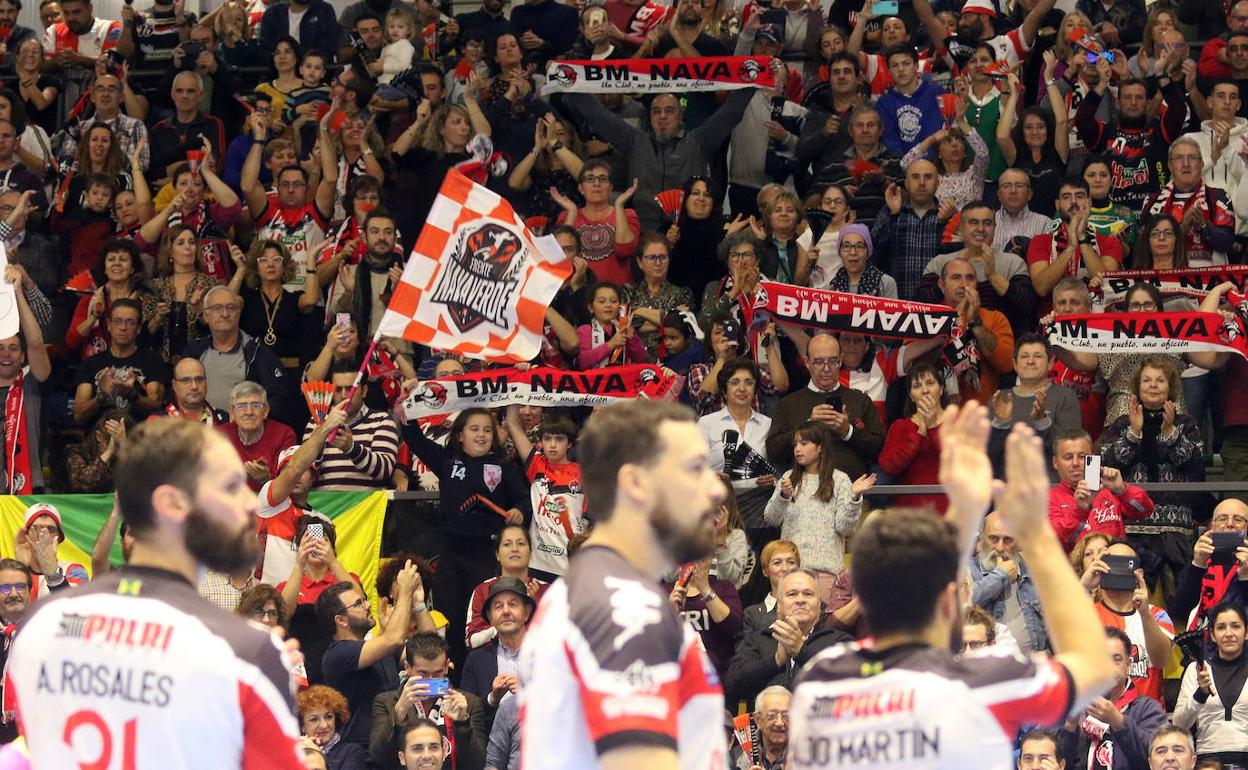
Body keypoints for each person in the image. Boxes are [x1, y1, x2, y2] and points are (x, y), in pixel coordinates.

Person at [787, 407, 1117, 767]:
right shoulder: (984, 681)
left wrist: (964, 511)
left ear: (861, 594)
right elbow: (1096, 667)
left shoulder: (819, 683)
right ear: (951, 601)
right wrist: (1035, 533)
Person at [7, 419, 305, 767]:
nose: (249, 502)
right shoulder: (245, 653)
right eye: (231, 486)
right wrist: (261, 677)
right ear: (173, 503)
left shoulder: (41, 624)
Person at [517, 400, 727, 770]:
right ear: (636, 483)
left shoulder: (589, 590)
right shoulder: (624, 604)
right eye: (694, 469)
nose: (716, 489)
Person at [562, 89, 756, 231]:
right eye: (656, 111)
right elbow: (597, 115)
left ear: (680, 116)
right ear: (650, 116)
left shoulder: (699, 141)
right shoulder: (634, 141)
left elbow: (731, 113)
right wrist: (565, 78)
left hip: (688, 235)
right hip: (643, 234)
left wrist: (755, 78)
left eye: (669, 111)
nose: (662, 116)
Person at [764, 420, 873, 600]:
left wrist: (854, 497)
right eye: (795, 444)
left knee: (823, 627)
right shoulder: (788, 478)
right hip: (791, 572)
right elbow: (771, 519)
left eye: (804, 443)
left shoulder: (840, 480)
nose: (797, 449)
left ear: (820, 447)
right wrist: (783, 496)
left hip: (826, 573)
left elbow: (846, 528)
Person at [318, 560, 420, 746]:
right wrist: (404, 592)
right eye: (358, 603)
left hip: (394, 745)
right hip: (361, 756)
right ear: (341, 620)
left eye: (364, 600)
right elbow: (394, 638)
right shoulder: (337, 654)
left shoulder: (379, 648)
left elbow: (426, 655)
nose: (367, 606)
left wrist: (418, 604)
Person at [764, 333, 884, 479]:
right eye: (819, 362)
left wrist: (848, 431)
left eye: (833, 361)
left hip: (853, 491)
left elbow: (878, 448)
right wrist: (807, 426)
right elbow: (774, 452)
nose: (826, 369)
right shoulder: (788, 404)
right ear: (807, 362)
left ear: (840, 360)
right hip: (803, 494)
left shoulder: (860, 400)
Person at [724, 568, 850, 707]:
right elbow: (732, 686)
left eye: (808, 594)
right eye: (792, 594)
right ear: (779, 605)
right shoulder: (757, 640)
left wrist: (801, 651)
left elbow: (846, 683)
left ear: (819, 604)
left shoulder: (838, 641)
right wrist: (775, 661)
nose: (800, 600)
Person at [902, 257, 1016, 406]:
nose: (964, 284)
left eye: (970, 278)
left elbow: (1006, 364)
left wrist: (976, 323)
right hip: (934, 414)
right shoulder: (923, 319)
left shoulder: (994, 318)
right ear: (941, 285)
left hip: (980, 414)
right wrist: (945, 328)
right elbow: (915, 369)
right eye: (956, 278)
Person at [918, 201, 1037, 337]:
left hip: (1001, 345)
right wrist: (954, 271)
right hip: (947, 345)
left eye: (987, 223)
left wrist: (993, 276)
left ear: (994, 227)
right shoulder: (939, 262)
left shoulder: (1013, 262)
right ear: (961, 227)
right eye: (973, 222)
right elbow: (921, 304)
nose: (981, 229)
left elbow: (1027, 305)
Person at [369, 633, 486, 770]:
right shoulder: (386, 702)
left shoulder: (469, 703)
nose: (430, 680)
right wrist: (398, 712)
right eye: (423, 674)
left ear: (447, 666)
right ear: (407, 668)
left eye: (437, 673)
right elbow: (378, 757)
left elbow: (478, 764)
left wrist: (462, 723)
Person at [1058, 625, 1167, 770]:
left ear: (1127, 665)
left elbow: (1158, 757)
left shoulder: (1148, 709)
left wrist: (1119, 722)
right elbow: (1057, 762)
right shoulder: (1075, 704)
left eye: (1116, 659)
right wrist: (1070, 727)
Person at [183, 285, 291, 426]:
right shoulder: (193, 352)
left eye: (231, 308)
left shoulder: (258, 353)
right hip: (198, 433)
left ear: (239, 314)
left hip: (243, 435)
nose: (225, 314)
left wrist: (250, 423)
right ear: (205, 315)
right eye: (217, 308)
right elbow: (178, 394)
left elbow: (278, 401)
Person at [1094, 540, 1175, 705]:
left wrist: (1144, 613)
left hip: (1146, 720)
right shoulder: (1088, 614)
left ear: (1138, 573)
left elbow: (1162, 660)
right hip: (1097, 717)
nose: (1116, 570)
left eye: (1124, 564)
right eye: (1110, 563)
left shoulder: (1157, 615)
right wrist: (1086, 583)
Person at [1048, 428, 1154, 550]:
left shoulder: (1109, 489)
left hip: (1115, 565)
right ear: (1055, 462)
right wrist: (1080, 510)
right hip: (1072, 568)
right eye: (1068, 457)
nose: (1076, 463)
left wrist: (1123, 491)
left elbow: (1145, 511)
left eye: (1082, 456)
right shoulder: (1049, 498)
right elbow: (1054, 540)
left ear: (1092, 458)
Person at [1172, 601, 1248, 766]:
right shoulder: (1197, 669)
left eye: (1235, 626)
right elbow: (1179, 725)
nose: (1228, 633)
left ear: (1246, 632)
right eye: (1221, 627)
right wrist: (1200, 694)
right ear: (1212, 635)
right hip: (1207, 761)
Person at [73, 298, 168, 425]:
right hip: (98, 439)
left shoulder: (152, 360)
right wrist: (101, 396)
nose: (123, 328)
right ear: (109, 325)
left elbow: (157, 409)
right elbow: (78, 415)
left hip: (138, 439)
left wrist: (131, 394)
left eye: (130, 322)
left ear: (139, 328)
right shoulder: (91, 363)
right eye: (117, 321)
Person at [870, 159, 950, 300]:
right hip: (896, 305)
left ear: (938, 183)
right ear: (906, 183)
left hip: (936, 308)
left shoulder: (947, 215)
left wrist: (946, 223)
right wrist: (893, 215)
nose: (922, 183)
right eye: (915, 177)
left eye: (928, 177)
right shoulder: (890, 211)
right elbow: (872, 254)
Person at [0, 263, 49, 493]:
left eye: (13, 348)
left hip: (26, 484)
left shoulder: (30, 382)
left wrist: (18, 292)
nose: (6, 354)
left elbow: (36, 343)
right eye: (0, 348)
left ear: (23, 356)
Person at [970, 510, 1047, 653]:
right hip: (987, 666)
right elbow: (964, 604)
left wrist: (1048, 653)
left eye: (1007, 540)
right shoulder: (967, 571)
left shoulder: (1034, 573)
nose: (1000, 547)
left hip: (1034, 665)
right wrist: (1000, 576)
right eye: (993, 539)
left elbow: (1054, 626)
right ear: (982, 538)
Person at [461, 576, 534, 720]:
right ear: (490, 617)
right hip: (491, 739)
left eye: (513, 604)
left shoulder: (548, 654)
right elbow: (464, 713)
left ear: (526, 613)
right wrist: (492, 698)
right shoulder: (477, 660)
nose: (506, 611)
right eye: (498, 606)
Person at [1169, 499, 1248, 631]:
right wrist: (1197, 565)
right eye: (1222, 519)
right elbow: (1179, 612)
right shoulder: (1201, 559)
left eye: (1238, 520)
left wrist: (1246, 577)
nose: (1229, 524)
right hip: (1202, 643)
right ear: (1213, 526)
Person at [221, 380, 297, 492]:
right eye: (241, 406)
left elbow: (289, 482)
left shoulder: (284, 435)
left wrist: (266, 479)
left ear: (265, 411)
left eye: (256, 405)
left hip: (272, 505)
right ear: (232, 413)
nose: (249, 412)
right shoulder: (219, 436)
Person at [298, 685, 369, 770]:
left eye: (329, 717)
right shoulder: (293, 753)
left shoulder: (351, 752)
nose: (324, 725)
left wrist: (316, 753)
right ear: (302, 726)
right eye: (314, 719)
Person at [746, 686, 790, 770]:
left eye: (786, 715)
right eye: (772, 715)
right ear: (758, 719)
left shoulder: (810, 757)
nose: (779, 723)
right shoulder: (738, 757)